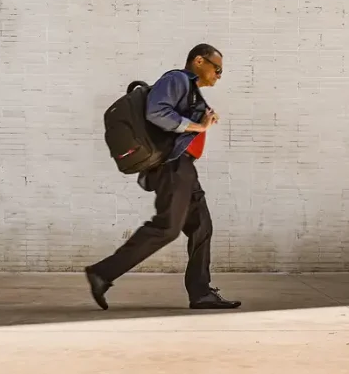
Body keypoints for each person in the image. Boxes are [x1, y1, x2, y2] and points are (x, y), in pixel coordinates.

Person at [84, 43, 241, 310]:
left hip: (184, 168)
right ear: (199, 61)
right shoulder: (177, 79)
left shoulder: (189, 91)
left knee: (202, 226)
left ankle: (201, 292)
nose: (218, 76)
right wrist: (199, 125)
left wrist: (203, 122)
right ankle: (103, 273)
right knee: (167, 228)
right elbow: (156, 112)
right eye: (217, 69)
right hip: (172, 167)